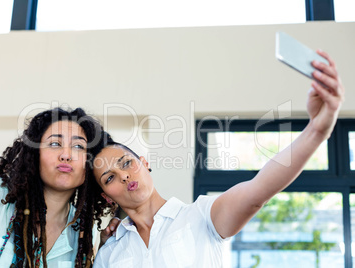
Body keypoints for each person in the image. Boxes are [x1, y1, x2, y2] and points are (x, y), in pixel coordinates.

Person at [88, 50, 345, 267]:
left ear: (145, 163)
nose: (123, 175)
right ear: (107, 196)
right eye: (110, 177)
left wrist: (316, 131)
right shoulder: (109, 252)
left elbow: (258, 191)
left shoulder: (200, 216)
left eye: (126, 163)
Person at [0, 107, 108, 268]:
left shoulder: (84, 230)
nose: (66, 155)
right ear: (35, 154)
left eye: (78, 147)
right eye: (55, 143)